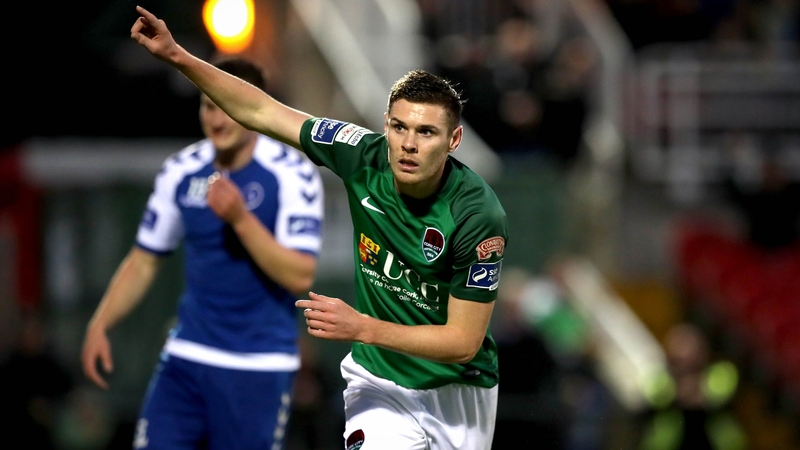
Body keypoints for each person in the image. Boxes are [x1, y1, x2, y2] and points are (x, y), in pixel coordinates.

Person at [129, 5, 508, 449]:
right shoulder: (359, 154)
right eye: (399, 127)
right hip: (379, 381)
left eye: (426, 132)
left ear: (454, 140)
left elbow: (463, 342)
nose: (408, 144)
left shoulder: (477, 214)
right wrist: (177, 55)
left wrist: (362, 327)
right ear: (385, 126)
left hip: (459, 392)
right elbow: (262, 110)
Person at [80, 54, 325, 450]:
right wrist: (101, 323)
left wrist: (240, 219)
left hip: (257, 364)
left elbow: (299, 275)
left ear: (251, 108)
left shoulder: (292, 175)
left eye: (226, 107)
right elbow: (144, 260)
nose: (216, 119)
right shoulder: (181, 170)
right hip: (188, 355)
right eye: (208, 106)